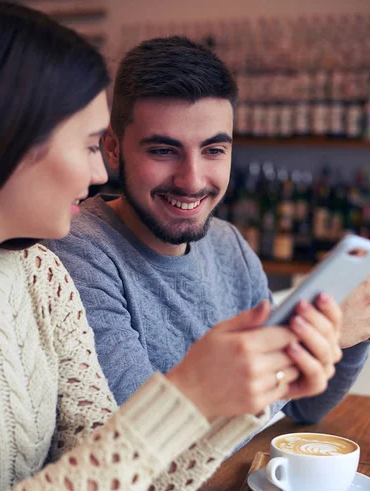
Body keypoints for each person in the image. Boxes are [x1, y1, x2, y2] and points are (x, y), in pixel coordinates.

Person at [0, 4, 343, 491]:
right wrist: (193, 391)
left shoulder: (36, 275)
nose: (99, 173)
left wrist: (249, 393)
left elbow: (122, 475)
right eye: (92, 144)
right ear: (9, 139)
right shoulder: (76, 255)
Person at [49, 36, 368, 418]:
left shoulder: (228, 244)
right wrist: (321, 337)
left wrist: (350, 332)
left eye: (214, 150)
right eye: (163, 151)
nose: (192, 180)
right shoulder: (77, 252)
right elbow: (144, 433)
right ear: (113, 148)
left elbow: (297, 408)